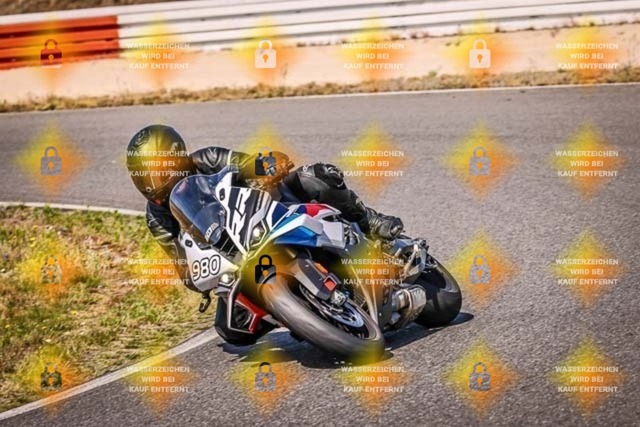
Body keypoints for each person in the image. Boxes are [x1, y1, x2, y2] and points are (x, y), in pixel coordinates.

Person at [126, 124, 403, 345]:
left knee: (316, 176)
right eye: (141, 175)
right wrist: (202, 271)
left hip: (268, 211)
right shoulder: (156, 216)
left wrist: (268, 164)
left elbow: (245, 164)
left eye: (154, 170)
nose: (149, 182)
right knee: (232, 330)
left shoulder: (207, 159)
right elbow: (182, 265)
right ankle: (298, 310)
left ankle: (370, 222)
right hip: (231, 256)